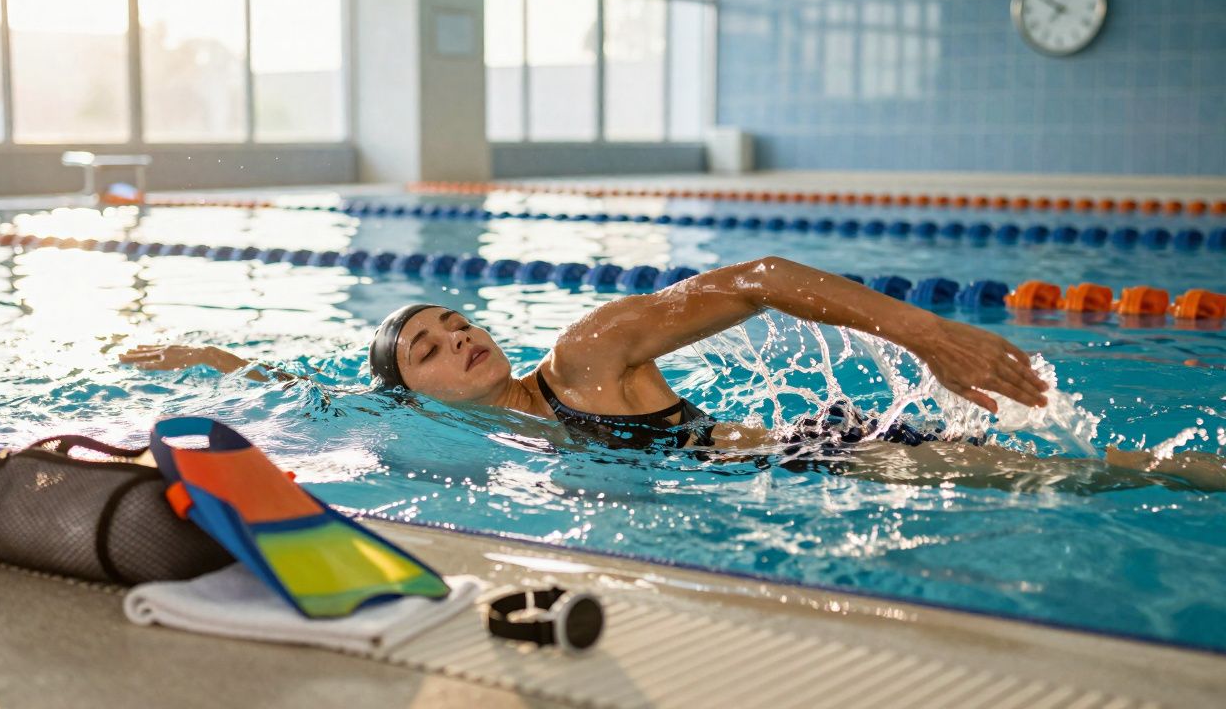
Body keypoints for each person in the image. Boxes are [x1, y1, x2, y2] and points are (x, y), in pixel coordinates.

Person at [121, 256, 1226, 492]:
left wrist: (922, 331)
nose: (457, 338)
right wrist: (203, 358)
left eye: (456, 321)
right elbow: (302, 387)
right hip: (798, 484)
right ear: (409, 391)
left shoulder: (583, 358)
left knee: (1101, 476)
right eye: (427, 346)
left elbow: (758, 280)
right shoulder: (428, 425)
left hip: (826, 458)